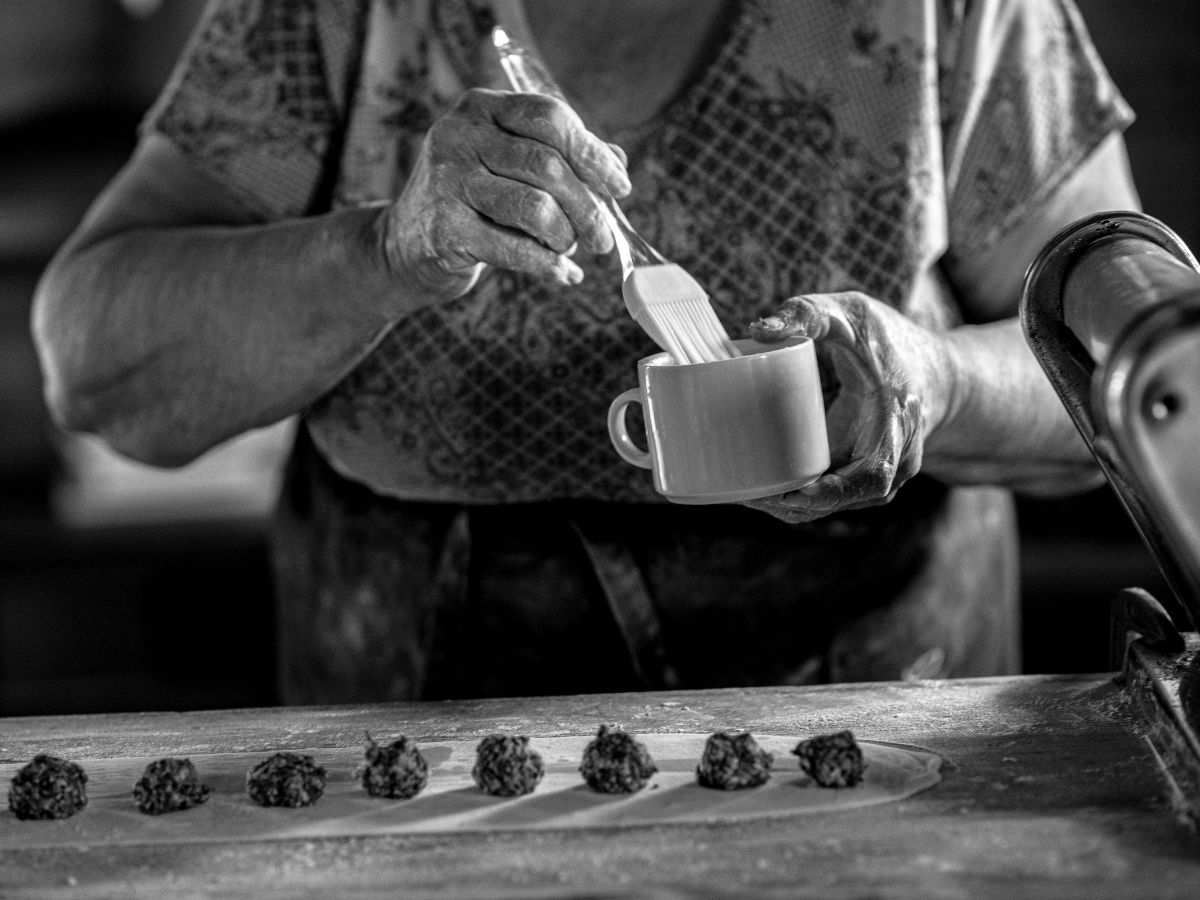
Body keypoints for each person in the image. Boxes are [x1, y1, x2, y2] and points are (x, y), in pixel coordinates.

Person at [32, 0, 1140, 703]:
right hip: (415, 760)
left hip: (877, 747)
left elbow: (1141, 379)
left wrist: (936, 384)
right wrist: (385, 249)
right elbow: (93, 366)